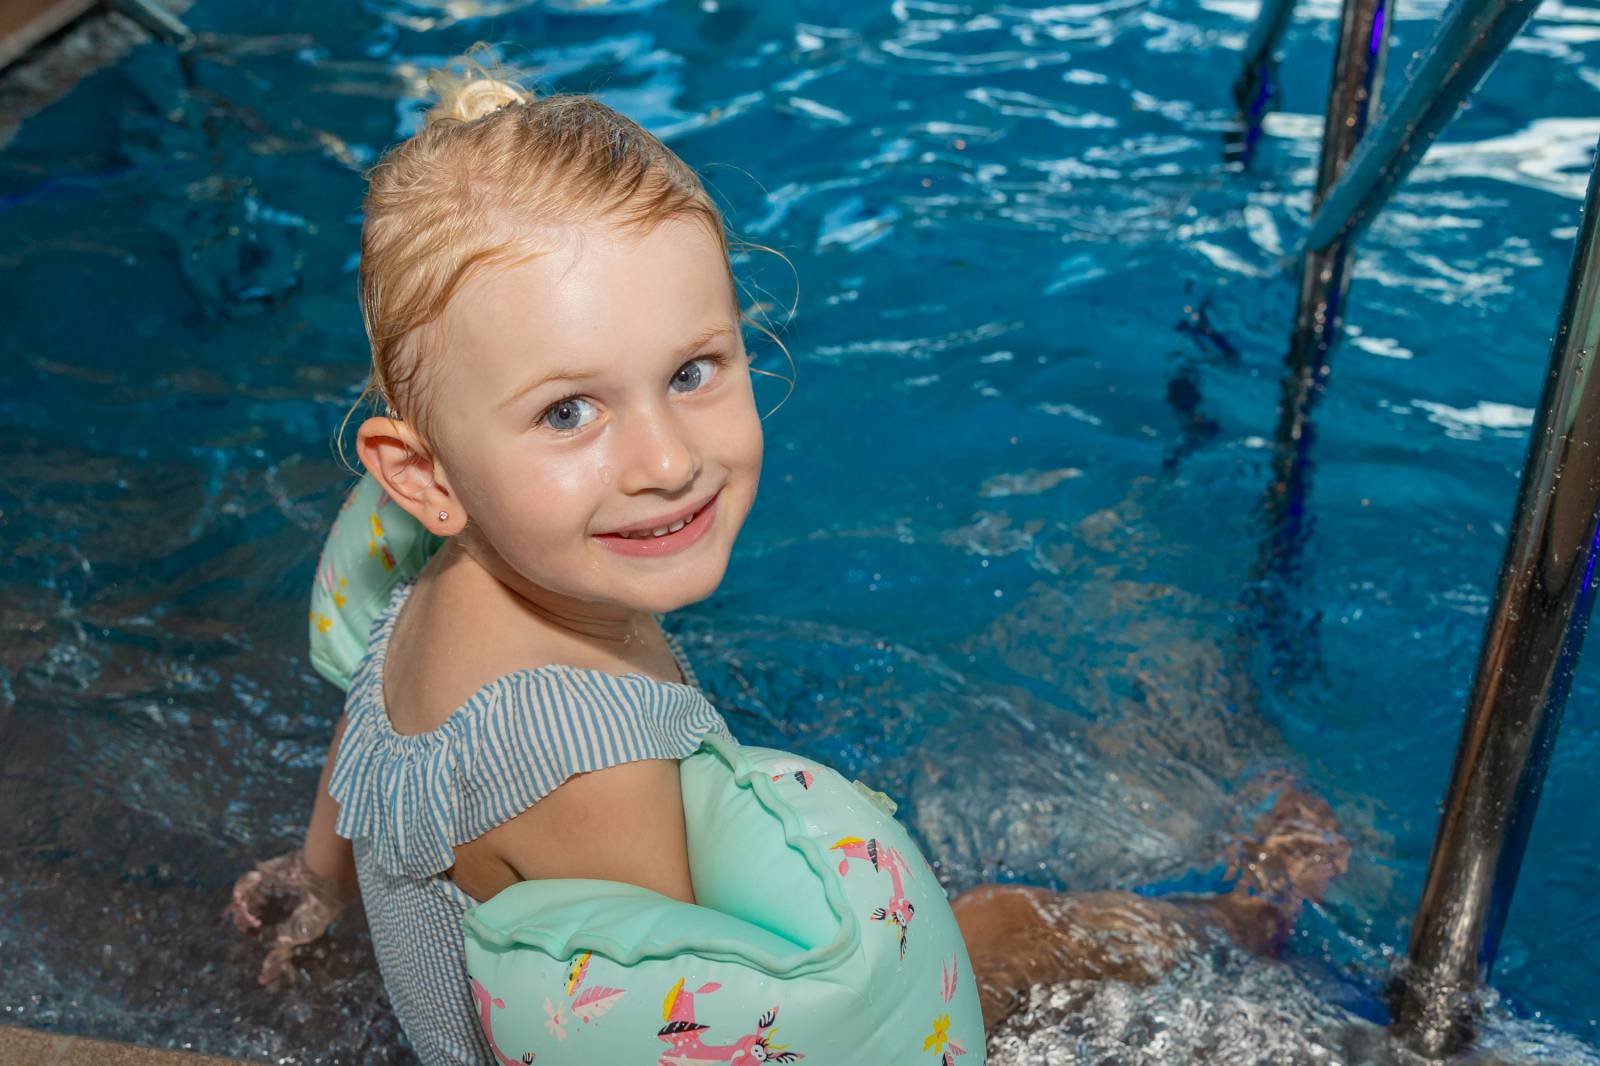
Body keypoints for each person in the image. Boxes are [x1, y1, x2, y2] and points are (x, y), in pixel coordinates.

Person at [227, 45, 1348, 1063]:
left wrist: (319, 879)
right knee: (1001, 921)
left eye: (692, 370)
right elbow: (697, 1017)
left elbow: (365, 728)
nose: (665, 459)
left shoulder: (431, 590)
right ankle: (1246, 924)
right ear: (421, 474)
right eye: (568, 412)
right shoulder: (586, 751)